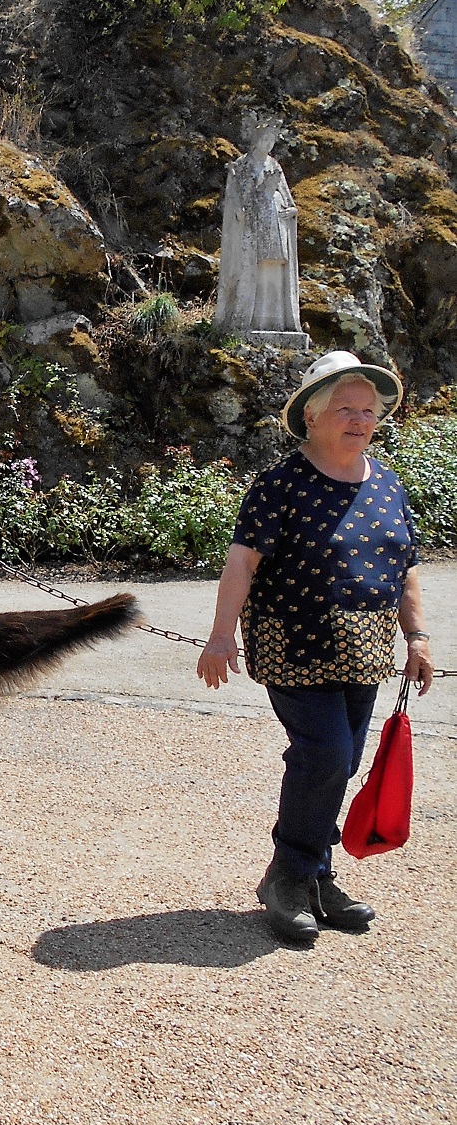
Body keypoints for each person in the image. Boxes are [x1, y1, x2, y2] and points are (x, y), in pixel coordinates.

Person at [197, 350, 432, 946]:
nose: (360, 420)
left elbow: (405, 568)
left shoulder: (387, 485)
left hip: (365, 649)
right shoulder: (280, 484)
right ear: (312, 415)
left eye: (369, 411)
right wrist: (221, 636)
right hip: (294, 645)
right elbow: (241, 564)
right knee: (325, 754)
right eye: (346, 409)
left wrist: (418, 636)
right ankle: (288, 877)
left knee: (341, 762)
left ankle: (317, 879)